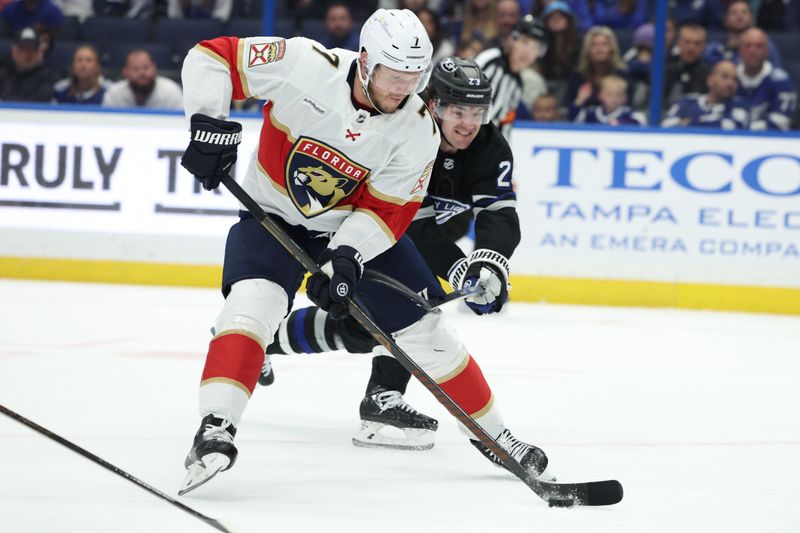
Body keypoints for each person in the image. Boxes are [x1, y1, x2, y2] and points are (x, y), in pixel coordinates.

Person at [178, 9, 550, 494]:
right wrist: (208, 122)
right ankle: (215, 428)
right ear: (366, 62)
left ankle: (496, 435)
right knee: (250, 309)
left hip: (350, 229)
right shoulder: (304, 62)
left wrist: (349, 253)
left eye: (414, 80)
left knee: (426, 329)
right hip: (272, 216)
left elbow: (389, 209)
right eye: (395, 78)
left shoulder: (419, 128)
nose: (404, 90)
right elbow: (211, 57)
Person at [258, 56, 522, 453]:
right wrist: (458, 265)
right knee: (406, 315)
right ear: (433, 104)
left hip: (401, 237)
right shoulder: (408, 134)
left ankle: (264, 341)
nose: (468, 123)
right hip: (356, 231)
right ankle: (381, 397)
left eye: (477, 112)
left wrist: (488, 262)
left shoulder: (489, 148)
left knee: (363, 329)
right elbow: (402, 222)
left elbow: (499, 213)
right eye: (457, 110)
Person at [475, 14, 548, 140]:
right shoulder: (491, 61)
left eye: (535, 48)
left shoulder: (517, 84)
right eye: (525, 43)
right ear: (511, 40)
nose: (528, 52)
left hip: (483, 149)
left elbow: (505, 123)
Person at [735, 28, 796, 131]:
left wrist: (747, 128)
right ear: (740, 50)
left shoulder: (781, 81)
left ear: (766, 51)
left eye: (758, 46)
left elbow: (782, 121)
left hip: (770, 140)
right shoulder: (730, 76)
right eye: (748, 46)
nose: (753, 51)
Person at [662, 60, 749, 129]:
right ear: (710, 79)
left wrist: (690, 123)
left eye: (734, 79)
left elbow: (730, 127)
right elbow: (666, 126)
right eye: (725, 77)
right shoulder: (687, 102)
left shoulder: (740, 106)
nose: (730, 83)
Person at [564, 25, 628, 120]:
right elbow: (571, 115)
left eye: (604, 44)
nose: (599, 49)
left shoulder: (623, 75)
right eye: (594, 45)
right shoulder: (577, 77)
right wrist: (579, 100)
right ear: (587, 50)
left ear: (612, 48)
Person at [704, 0, 783, 68]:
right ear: (726, 19)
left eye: (744, 12)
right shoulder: (712, 49)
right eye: (734, 12)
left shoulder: (764, 46)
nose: (739, 16)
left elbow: (777, 73)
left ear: (752, 18)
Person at [102, 48, 183, 109]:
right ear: (125, 72)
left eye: (146, 67)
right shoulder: (114, 93)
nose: (142, 73)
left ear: (154, 68)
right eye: (135, 68)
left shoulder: (171, 92)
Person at [0, 26, 57, 102]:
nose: (28, 54)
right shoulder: (4, 73)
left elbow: (42, 100)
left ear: (40, 52)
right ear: (14, 52)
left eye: (32, 49)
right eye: (23, 49)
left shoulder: (49, 76)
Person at [664, 23, 711, 106]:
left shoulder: (709, 74)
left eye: (697, 43)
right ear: (678, 43)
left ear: (704, 46)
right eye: (687, 42)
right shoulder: (665, 67)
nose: (691, 48)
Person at [574, 74, 645, 125]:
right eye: (609, 94)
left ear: (625, 98)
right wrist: (579, 100)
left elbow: (640, 121)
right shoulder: (590, 113)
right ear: (600, 96)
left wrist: (621, 123)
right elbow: (574, 122)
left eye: (618, 95)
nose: (613, 99)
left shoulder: (627, 113)